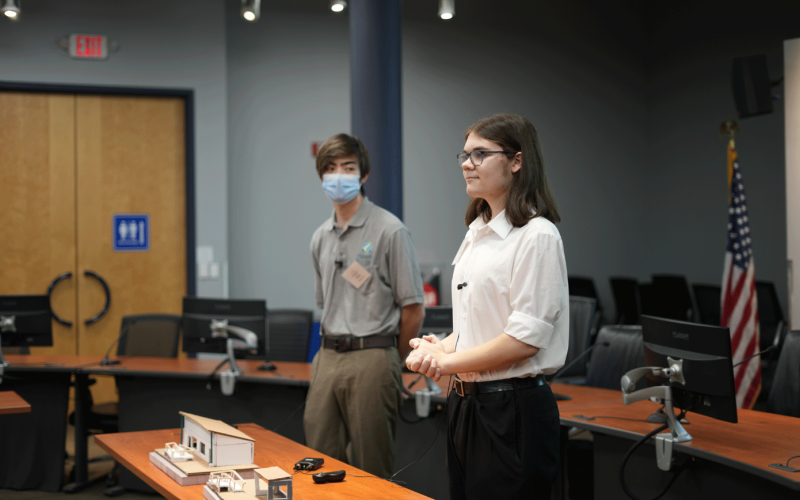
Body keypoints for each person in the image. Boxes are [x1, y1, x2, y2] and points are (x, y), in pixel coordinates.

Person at [407, 114, 568, 499]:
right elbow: (475, 326)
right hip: (468, 406)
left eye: (480, 154)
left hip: (512, 409)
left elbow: (523, 340)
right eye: (464, 154)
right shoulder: (477, 232)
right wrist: (438, 347)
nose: (466, 163)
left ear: (516, 161)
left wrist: (445, 363)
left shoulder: (537, 236)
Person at [304, 133, 425, 479]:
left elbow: (414, 309)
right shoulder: (319, 237)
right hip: (327, 356)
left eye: (348, 167)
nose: (338, 175)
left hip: (373, 356)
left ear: (363, 175)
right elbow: (324, 305)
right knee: (316, 460)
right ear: (321, 177)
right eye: (330, 168)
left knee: (370, 467)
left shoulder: (390, 230)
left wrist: (393, 363)